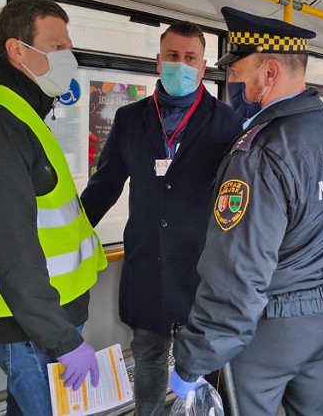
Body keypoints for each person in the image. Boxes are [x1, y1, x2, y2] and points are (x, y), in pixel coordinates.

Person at [170, 6, 323, 416]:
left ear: (269, 73)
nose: (232, 87)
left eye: (236, 76)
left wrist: (196, 356)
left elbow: (238, 271)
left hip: (270, 329)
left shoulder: (260, 153)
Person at [0, 0, 107, 415]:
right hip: (31, 331)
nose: (68, 58)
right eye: (57, 47)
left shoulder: (27, 116)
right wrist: (63, 340)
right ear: (17, 50)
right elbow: (8, 246)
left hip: (49, 321)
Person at [79, 21, 242, 415]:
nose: (180, 65)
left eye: (190, 59)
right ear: (158, 61)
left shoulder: (227, 122)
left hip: (202, 265)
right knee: (149, 355)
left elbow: (238, 197)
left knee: (202, 360)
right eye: (172, 56)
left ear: (203, 67)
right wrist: (72, 231)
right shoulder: (131, 119)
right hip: (147, 261)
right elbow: (105, 184)